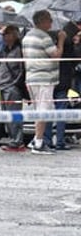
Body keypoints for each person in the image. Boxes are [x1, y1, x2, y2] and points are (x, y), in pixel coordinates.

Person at [23, 10, 65, 155]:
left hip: (31, 77)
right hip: (44, 79)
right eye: (49, 20)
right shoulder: (44, 37)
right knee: (43, 110)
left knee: (38, 110)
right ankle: (39, 143)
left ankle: (36, 139)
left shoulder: (27, 36)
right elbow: (56, 55)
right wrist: (61, 40)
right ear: (42, 21)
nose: (51, 23)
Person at [44, 14, 81, 150]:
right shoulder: (69, 42)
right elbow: (74, 60)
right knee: (60, 112)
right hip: (63, 81)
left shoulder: (50, 39)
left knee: (47, 111)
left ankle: (47, 140)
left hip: (50, 79)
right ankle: (59, 141)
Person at [0, 25, 27, 152]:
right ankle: (13, 140)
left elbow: (21, 70)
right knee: (7, 116)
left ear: (13, 35)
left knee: (14, 116)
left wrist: (14, 83)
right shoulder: (6, 49)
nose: (4, 37)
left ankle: (17, 142)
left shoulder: (18, 50)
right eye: (3, 35)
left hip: (11, 87)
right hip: (3, 85)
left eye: (6, 34)